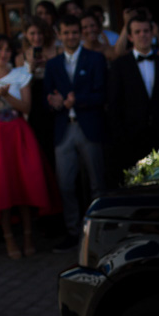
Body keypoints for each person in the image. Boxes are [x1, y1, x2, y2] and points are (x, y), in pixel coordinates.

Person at [0, 35, 58, 258]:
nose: (3, 54)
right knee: (1, 187)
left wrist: (5, 97)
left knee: (24, 183)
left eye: (7, 50)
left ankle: (27, 236)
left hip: (17, 132)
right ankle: (8, 238)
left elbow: (26, 106)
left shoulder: (21, 75)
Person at [44, 15, 107, 251]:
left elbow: (103, 94)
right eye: (66, 32)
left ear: (80, 33)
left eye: (74, 32)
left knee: (97, 184)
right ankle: (73, 231)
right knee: (66, 185)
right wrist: (54, 102)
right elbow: (45, 99)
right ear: (59, 35)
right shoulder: (52, 64)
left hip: (89, 127)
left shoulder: (95, 59)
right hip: (64, 130)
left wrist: (76, 100)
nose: (71, 36)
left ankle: (98, 233)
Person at [108, 15, 159, 180]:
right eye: (138, 32)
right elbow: (114, 103)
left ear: (152, 33)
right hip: (131, 137)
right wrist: (120, 137)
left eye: (146, 31)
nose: (143, 35)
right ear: (130, 36)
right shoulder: (119, 66)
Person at [17, 17, 59, 167]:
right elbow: (20, 85)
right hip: (35, 105)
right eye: (32, 33)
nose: (36, 37)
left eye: (40, 33)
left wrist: (50, 64)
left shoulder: (57, 51)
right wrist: (31, 69)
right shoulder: (20, 57)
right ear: (26, 35)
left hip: (55, 101)